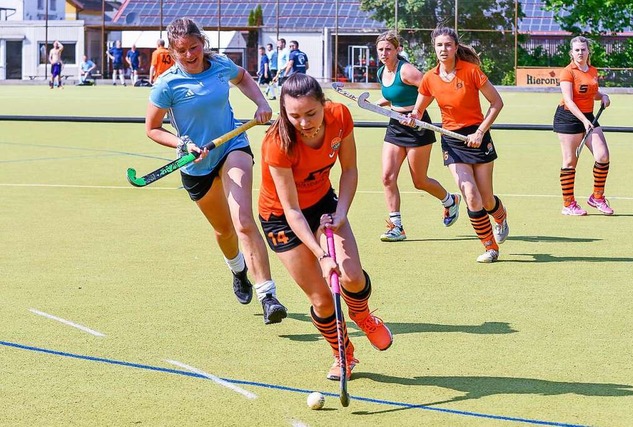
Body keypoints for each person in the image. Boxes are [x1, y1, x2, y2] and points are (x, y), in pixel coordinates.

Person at [144, 17, 288, 324]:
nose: (189, 55)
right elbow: (153, 129)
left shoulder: (220, 65)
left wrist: (261, 102)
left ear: (203, 43)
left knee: (244, 220)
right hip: (196, 164)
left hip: (231, 146)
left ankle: (268, 295)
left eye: (194, 47)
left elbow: (244, 77)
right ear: (172, 50)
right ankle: (238, 271)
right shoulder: (167, 84)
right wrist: (182, 145)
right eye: (181, 50)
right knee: (224, 230)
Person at [258, 73, 393, 380]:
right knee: (321, 296)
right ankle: (343, 354)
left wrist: (341, 212)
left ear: (323, 104)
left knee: (353, 277)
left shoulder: (340, 116)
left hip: (323, 202)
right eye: (294, 116)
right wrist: (321, 254)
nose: (304, 123)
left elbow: (349, 169)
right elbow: (291, 210)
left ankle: (361, 314)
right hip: (281, 217)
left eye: (310, 114)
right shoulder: (277, 143)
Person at [408, 26, 507, 263]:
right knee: (470, 195)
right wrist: (413, 118)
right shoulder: (430, 78)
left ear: (455, 47)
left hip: (478, 137)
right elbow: (418, 110)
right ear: (434, 48)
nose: (444, 49)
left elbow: (496, 102)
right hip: (452, 140)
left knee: (486, 199)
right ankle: (490, 247)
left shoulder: (471, 71)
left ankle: (501, 218)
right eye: (439, 45)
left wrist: (481, 131)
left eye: (448, 45)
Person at [374, 31, 460, 242]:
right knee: (387, 177)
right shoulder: (381, 72)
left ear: (397, 50)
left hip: (417, 126)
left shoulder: (407, 70)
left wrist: (417, 113)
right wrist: (378, 104)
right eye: (380, 49)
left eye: (388, 49)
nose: (384, 53)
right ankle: (397, 226)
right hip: (396, 125)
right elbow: (395, 95)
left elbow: (430, 89)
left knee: (419, 181)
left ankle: (450, 201)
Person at [553, 36, 613, 216]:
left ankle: (597, 197)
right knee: (570, 162)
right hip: (568, 118)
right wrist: (584, 121)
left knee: (602, 156)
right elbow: (569, 101)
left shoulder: (593, 70)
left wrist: (602, 96)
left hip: (588, 117)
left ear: (588, 51)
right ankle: (568, 204)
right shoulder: (567, 72)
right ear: (572, 53)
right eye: (577, 50)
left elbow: (590, 92)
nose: (580, 52)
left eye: (583, 49)